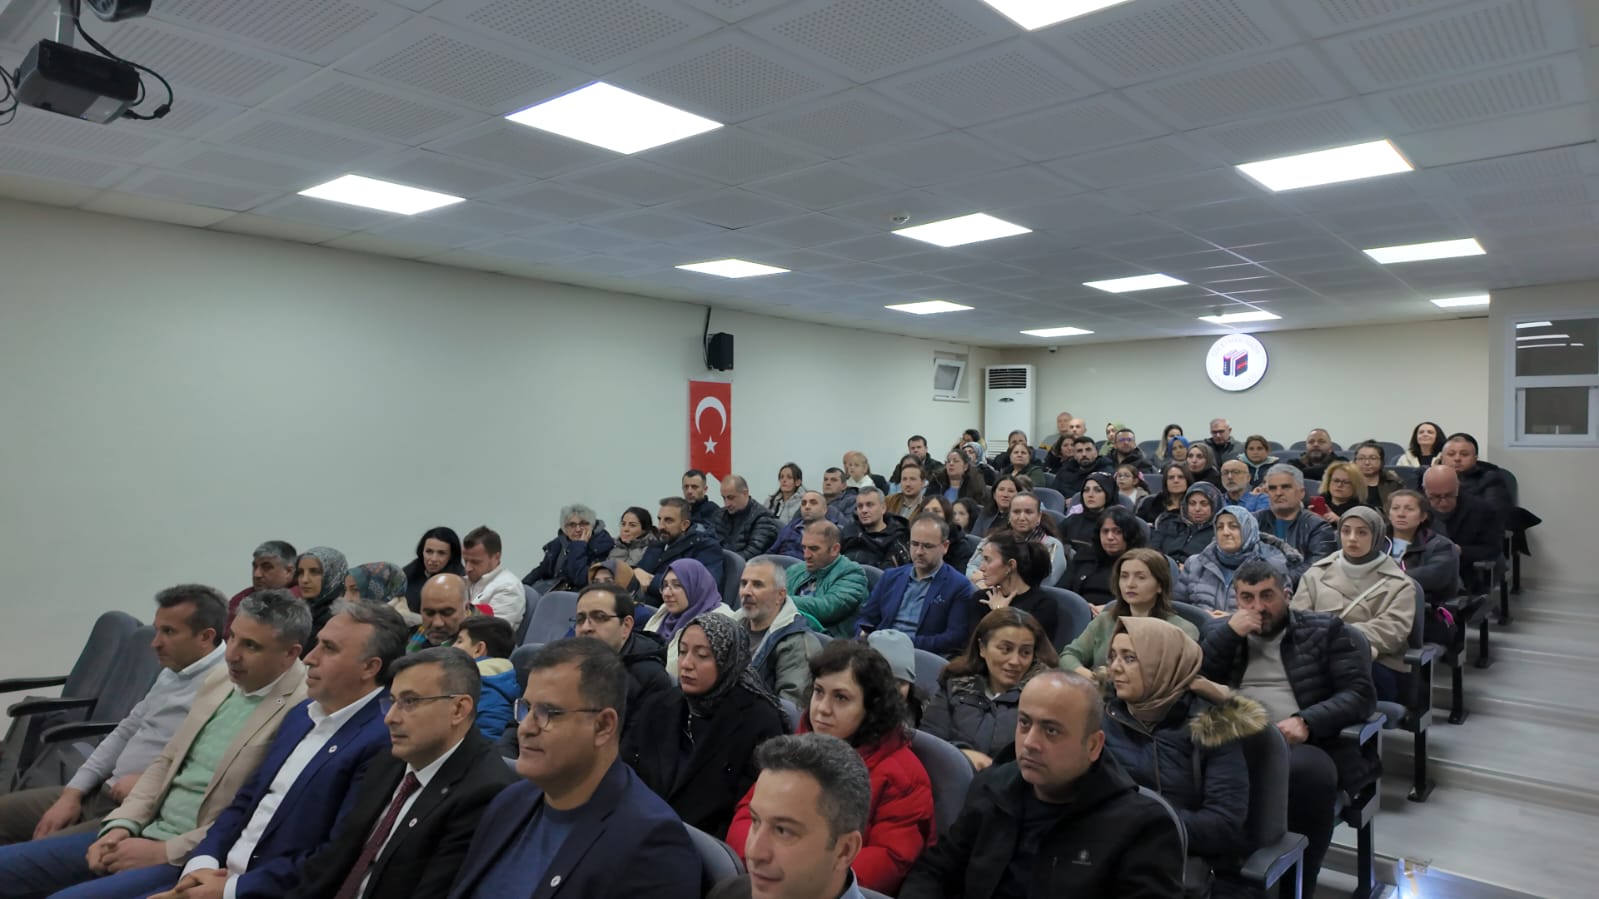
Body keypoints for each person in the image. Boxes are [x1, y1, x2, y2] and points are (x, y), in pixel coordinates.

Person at [0, 591, 310, 897]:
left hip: (192, 853)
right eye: (233, 638)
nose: (232, 654)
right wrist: (121, 825)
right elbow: (165, 761)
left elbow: (254, 814)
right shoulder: (220, 680)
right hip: (143, 824)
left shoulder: (302, 709)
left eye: (251, 646)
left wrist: (164, 851)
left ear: (290, 653)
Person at [153, 602, 408, 899]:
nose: (309, 658)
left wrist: (230, 890)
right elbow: (246, 800)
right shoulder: (302, 714)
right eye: (317, 643)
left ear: (370, 667)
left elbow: (334, 854)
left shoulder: (382, 740)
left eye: (329, 648)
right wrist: (203, 862)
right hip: (214, 873)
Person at [450, 639, 699, 899]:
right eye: (526, 709)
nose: (526, 728)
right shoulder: (509, 801)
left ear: (603, 726)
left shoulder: (651, 845)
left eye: (549, 713)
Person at [901, 671, 1184, 898]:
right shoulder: (993, 787)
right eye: (1024, 723)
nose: (1030, 743)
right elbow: (935, 870)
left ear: (1093, 745)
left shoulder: (1141, 827)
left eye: (1051, 730)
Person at [1200, 560, 1378, 890]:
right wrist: (1227, 635)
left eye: (1267, 596)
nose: (1258, 607)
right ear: (1236, 600)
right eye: (1247, 598)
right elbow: (1196, 680)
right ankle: (1225, 880)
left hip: (1302, 743)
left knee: (1309, 773)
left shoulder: (1325, 630)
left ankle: (1299, 883)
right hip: (1234, 737)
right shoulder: (1222, 633)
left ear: (1286, 595)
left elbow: (1360, 694)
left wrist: (1307, 721)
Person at [0, 586, 226, 845]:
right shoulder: (173, 671)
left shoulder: (226, 685)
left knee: (27, 856)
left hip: (139, 812)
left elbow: (212, 770)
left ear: (205, 636)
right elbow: (125, 731)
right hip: (103, 792)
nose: (155, 643)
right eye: (157, 630)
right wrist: (72, 793)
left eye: (169, 632)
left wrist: (151, 785)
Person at [285, 647, 516, 899]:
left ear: (458, 709)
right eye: (392, 702)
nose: (390, 718)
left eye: (410, 702)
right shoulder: (390, 759)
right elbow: (333, 860)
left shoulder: (484, 792)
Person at [727, 643, 932, 895]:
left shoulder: (904, 776)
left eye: (841, 698)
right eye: (818, 691)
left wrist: (793, 872)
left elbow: (888, 861)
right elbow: (745, 817)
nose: (822, 708)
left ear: (871, 708)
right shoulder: (797, 748)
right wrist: (763, 862)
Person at [1101, 618, 1263, 877]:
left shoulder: (1212, 725)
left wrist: (1140, 824)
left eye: (1129, 658)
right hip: (1108, 848)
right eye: (1113, 656)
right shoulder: (1105, 713)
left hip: (1181, 857)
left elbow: (1223, 823)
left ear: (1162, 664)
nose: (1115, 668)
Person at [627, 614, 789, 836]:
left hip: (708, 844)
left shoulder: (759, 721)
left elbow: (751, 808)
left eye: (702, 655)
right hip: (640, 827)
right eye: (682, 652)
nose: (686, 664)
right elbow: (627, 768)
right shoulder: (660, 705)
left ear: (727, 660)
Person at [708, 734, 874, 899]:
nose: (754, 853)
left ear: (845, 850)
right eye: (755, 820)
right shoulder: (729, 893)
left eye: (783, 831)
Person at [1294, 508, 1418, 703]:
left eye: (1362, 532)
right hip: (1319, 658)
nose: (1352, 538)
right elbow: (1297, 620)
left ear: (1377, 536)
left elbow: (1393, 631)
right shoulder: (1316, 574)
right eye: (1346, 531)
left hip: (1377, 663)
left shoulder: (1400, 583)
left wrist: (1341, 639)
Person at [919, 608, 1059, 772]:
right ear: (982, 648)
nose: (1015, 661)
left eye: (1025, 652)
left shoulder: (1043, 696)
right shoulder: (956, 684)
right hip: (951, 775)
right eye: (1005, 649)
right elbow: (929, 742)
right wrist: (962, 754)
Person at [1059, 546, 1199, 676]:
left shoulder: (1182, 630)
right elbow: (1069, 655)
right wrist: (1090, 677)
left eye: (1141, 577)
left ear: (1160, 585)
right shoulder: (1105, 620)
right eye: (1124, 576)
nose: (1130, 584)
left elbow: (1169, 677)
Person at [857, 515, 977, 656]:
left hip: (920, 655)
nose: (919, 552)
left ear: (945, 547)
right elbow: (866, 617)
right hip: (878, 651)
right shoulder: (890, 576)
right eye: (914, 544)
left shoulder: (959, 586)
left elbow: (953, 638)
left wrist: (903, 644)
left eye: (927, 546)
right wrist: (863, 633)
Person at [571, 583, 672, 739]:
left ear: (626, 626)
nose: (585, 627)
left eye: (599, 617)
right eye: (580, 619)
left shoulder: (650, 679)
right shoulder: (568, 664)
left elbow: (634, 747)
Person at [1177, 506, 1297, 615]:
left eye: (1233, 526)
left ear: (1248, 530)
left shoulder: (1271, 565)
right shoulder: (1195, 564)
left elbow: (1280, 614)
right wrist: (1201, 618)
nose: (1225, 532)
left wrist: (1232, 621)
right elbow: (1177, 607)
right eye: (1220, 527)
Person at [735, 557, 823, 705]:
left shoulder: (796, 643)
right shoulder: (731, 626)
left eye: (757, 585)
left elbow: (791, 708)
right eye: (744, 584)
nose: (746, 592)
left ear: (780, 595)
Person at [643, 558, 737, 676]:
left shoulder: (720, 623)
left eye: (677, 585)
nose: (667, 593)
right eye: (665, 585)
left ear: (696, 586)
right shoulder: (665, 612)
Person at [1423, 466, 1501, 593]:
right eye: (1435, 497)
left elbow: (1493, 550)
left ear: (1457, 488)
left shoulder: (1482, 510)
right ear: (1425, 490)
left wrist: (1461, 551)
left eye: (1449, 495)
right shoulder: (1414, 507)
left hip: (1463, 571)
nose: (1443, 502)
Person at [789, 521, 871, 639]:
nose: (806, 555)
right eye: (804, 547)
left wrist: (780, 600)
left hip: (829, 641)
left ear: (834, 549)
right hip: (791, 633)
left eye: (814, 549)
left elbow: (827, 609)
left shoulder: (853, 574)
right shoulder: (796, 570)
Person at [1255, 464, 1338, 582]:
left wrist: (1278, 582)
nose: (1278, 493)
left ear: (1301, 493)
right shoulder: (1253, 522)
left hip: (1301, 589)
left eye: (1286, 487)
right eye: (1272, 488)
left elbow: (1317, 567)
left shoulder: (1319, 526)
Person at [637, 496, 725, 604]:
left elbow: (702, 587)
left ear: (684, 525)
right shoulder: (658, 545)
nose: (660, 527)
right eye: (660, 519)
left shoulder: (705, 548)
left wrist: (652, 581)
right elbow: (639, 573)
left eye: (668, 521)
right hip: (642, 602)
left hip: (674, 609)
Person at [970, 533, 1059, 638]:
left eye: (988, 560)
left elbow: (1022, 645)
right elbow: (972, 644)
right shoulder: (981, 598)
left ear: (1011, 565)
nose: (981, 568)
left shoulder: (1043, 605)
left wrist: (1000, 613)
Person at [1387, 489, 1462, 608]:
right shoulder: (1374, 541)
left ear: (1423, 516)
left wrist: (1385, 578)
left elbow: (1434, 577)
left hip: (1423, 608)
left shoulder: (1441, 545)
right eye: (1395, 508)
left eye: (1409, 509)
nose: (1401, 514)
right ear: (1389, 515)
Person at [1060, 507, 1146, 608]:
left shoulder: (1142, 563)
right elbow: (1063, 591)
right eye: (1105, 531)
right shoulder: (1085, 556)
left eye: (1117, 531)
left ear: (1130, 534)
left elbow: (1144, 599)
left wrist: (1109, 609)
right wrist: (1083, 607)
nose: (1110, 537)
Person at [452, 616, 520, 740]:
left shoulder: (479, 685)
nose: (453, 647)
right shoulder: (497, 681)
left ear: (479, 649)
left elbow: (488, 739)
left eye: (459, 641)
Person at [522, 504, 615, 594]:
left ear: (592, 526)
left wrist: (579, 545)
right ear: (565, 529)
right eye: (572, 525)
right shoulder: (558, 544)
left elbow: (581, 579)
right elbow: (541, 570)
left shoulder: (602, 544)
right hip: (554, 592)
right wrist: (521, 587)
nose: (578, 529)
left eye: (583, 524)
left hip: (582, 595)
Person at [1439, 433, 1515, 524]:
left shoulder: (1490, 478)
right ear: (1441, 458)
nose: (1457, 458)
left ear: (1475, 458)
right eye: (1451, 454)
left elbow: (1495, 513)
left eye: (1464, 454)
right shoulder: (1431, 477)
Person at [226, 542, 298, 634]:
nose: (257, 574)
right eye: (255, 567)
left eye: (266, 567)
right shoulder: (241, 598)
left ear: (288, 571)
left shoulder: (301, 604)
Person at [461, 526, 525, 628]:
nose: (468, 568)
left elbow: (494, 631)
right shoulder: (463, 582)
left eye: (475, 562)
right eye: (465, 561)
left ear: (496, 557)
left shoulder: (508, 587)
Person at [401, 528, 464, 628]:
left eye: (441, 553)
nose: (433, 559)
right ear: (422, 551)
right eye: (429, 551)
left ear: (451, 556)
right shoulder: (412, 570)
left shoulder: (457, 581)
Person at [840, 488, 911, 571]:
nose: (864, 510)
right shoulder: (849, 532)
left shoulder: (898, 538)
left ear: (883, 508)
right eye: (860, 506)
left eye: (869, 505)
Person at [1151, 482, 1221, 564]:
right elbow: (1152, 550)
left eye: (1204, 504)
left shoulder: (1218, 532)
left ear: (1214, 506)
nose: (1197, 509)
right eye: (1192, 503)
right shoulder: (1170, 523)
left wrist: (1190, 567)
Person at [296, 546, 350, 652]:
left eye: (314, 572)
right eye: (301, 572)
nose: (304, 580)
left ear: (333, 575)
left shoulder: (345, 620)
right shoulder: (294, 615)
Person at [718, 474, 782, 560]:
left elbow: (752, 555)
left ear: (745, 493)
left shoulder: (763, 518)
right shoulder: (720, 514)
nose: (727, 504)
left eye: (731, 498)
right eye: (724, 498)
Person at [408, 574, 474, 653]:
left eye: (447, 613)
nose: (437, 623)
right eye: (429, 613)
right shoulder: (410, 634)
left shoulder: (483, 638)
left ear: (466, 609)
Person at [918, 494, 978, 574]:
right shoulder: (914, 538)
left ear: (947, 515)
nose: (930, 515)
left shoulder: (960, 546)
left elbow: (958, 578)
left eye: (936, 511)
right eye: (926, 511)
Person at [1060, 472, 1116, 556]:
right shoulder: (1072, 521)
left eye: (1098, 490)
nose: (1090, 495)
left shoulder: (1118, 523)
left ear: (1109, 493)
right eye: (1086, 490)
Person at [770, 490, 831, 560]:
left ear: (824, 509)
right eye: (803, 503)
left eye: (813, 503)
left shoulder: (831, 531)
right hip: (782, 563)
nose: (807, 507)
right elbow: (771, 552)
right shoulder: (790, 528)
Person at [1352, 441, 1405, 511]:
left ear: (1381, 461)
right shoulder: (1348, 481)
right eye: (1361, 458)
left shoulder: (1393, 482)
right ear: (1355, 461)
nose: (1367, 463)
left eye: (1373, 458)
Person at [684, 468, 732, 542]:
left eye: (694, 487)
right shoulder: (678, 511)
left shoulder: (714, 512)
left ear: (705, 489)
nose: (689, 491)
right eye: (686, 487)